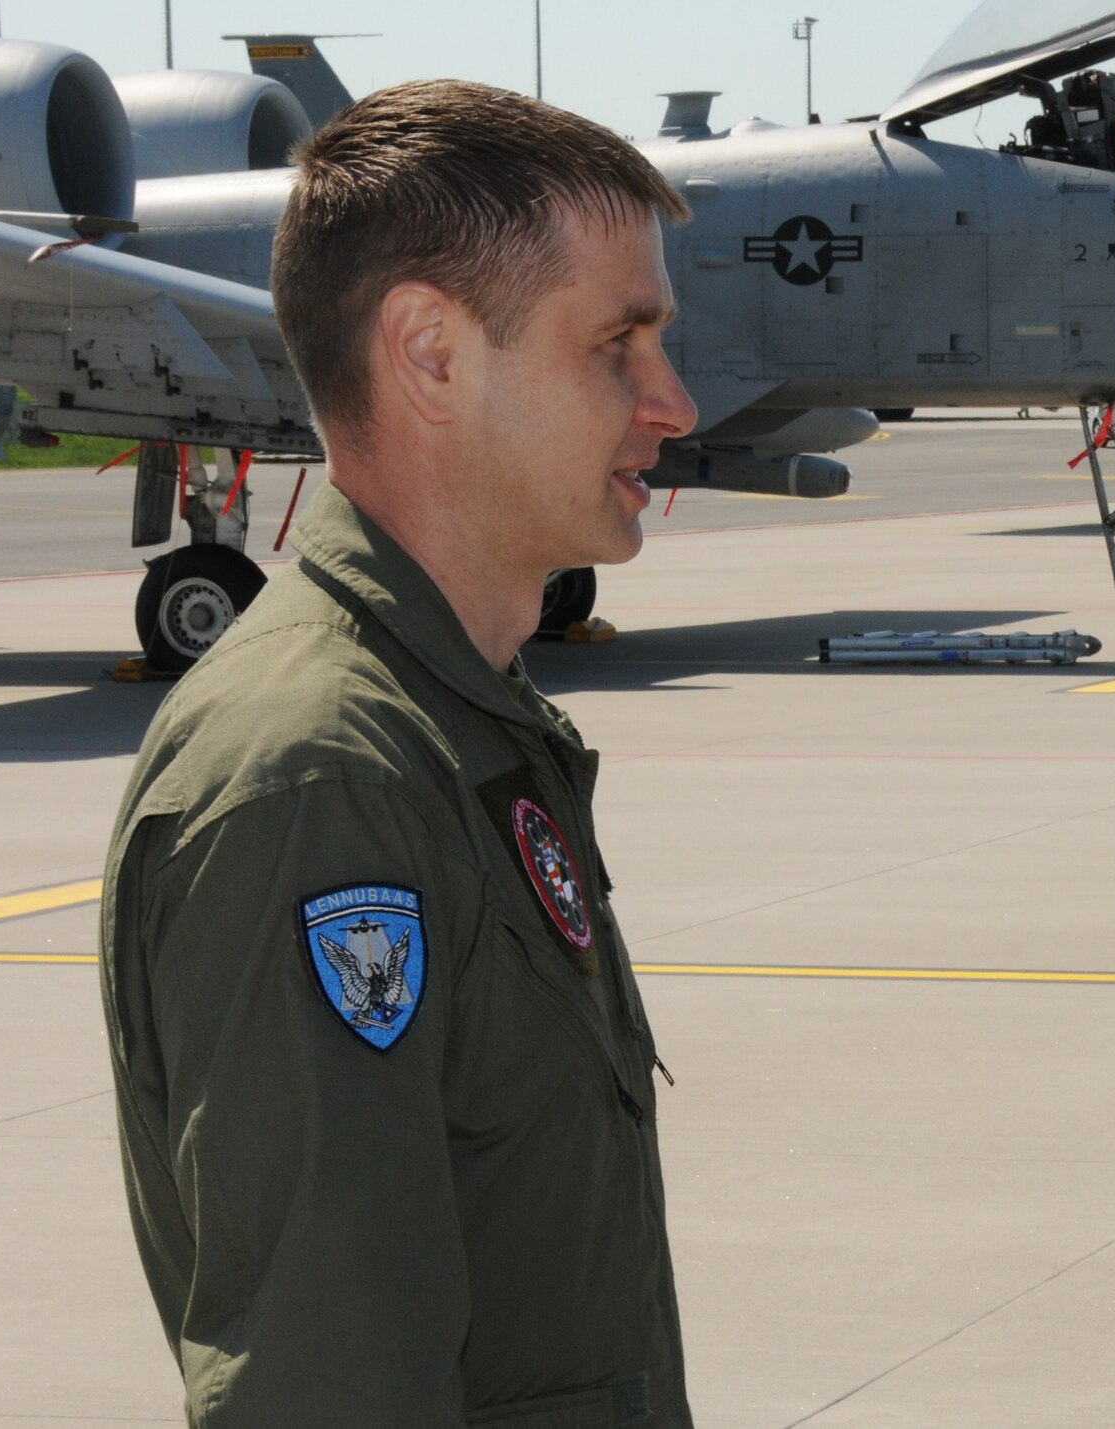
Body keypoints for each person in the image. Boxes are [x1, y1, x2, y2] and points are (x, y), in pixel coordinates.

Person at [99, 79, 699, 1426]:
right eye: (619, 345)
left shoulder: (463, 722)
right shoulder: (320, 783)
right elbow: (326, 1384)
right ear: (429, 350)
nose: (675, 401)